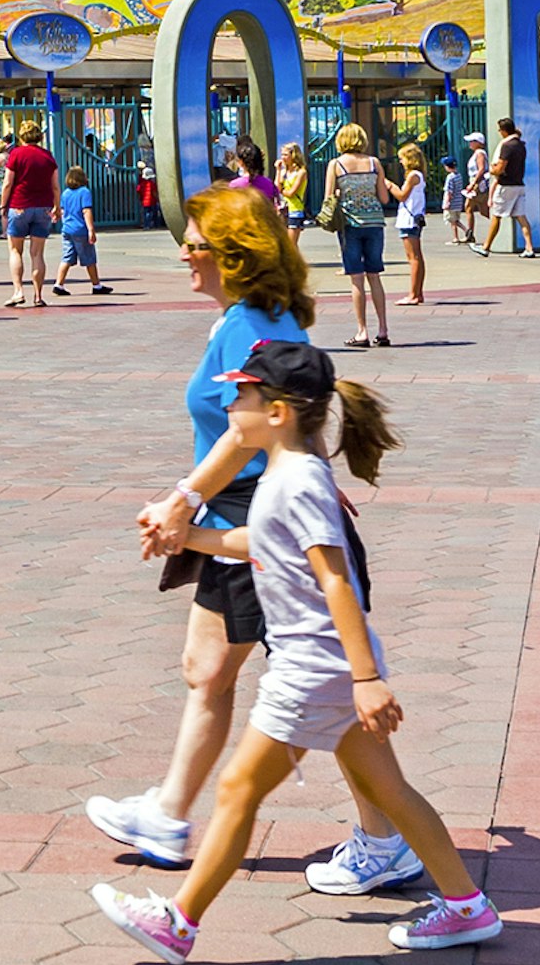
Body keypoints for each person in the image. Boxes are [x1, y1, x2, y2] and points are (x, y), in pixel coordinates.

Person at [93, 340, 503, 963]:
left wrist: (366, 679)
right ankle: (467, 908)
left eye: (244, 395)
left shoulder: (300, 482)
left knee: (236, 790)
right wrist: (190, 536)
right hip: (328, 666)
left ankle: (178, 923)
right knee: (390, 790)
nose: (230, 405)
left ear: (279, 411)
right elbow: (262, 542)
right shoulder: (286, 475)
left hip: (314, 667)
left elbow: (337, 579)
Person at [87, 187, 417, 894]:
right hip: (252, 505)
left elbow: (248, 431)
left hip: (257, 512)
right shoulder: (244, 320)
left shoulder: (253, 330)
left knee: (319, 690)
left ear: (234, 255)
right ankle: (170, 815)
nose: (184, 253)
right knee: (209, 668)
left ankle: (387, 839)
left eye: (196, 242)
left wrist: (185, 500)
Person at [323, 124, 393, 347]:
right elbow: (384, 197)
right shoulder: (374, 163)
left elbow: (328, 199)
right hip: (374, 224)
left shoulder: (336, 165)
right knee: (375, 275)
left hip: (350, 225)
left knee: (356, 278)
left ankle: (362, 331)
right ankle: (383, 330)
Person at [0, 119, 62, 308]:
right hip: (43, 207)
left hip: (19, 205)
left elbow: (8, 183)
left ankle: (18, 291)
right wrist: (57, 207)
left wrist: (3, 205)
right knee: (37, 253)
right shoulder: (47, 156)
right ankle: (38, 295)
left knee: (15, 250)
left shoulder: (16, 154)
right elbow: (55, 186)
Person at [61, 162, 112, 294]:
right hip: (81, 229)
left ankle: (58, 284)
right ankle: (96, 285)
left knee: (67, 258)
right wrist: (91, 230)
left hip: (67, 229)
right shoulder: (84, 192)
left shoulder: (65, 193)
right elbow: (86, 211)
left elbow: (62, 211)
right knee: (89, 258)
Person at [396, 140, 432, 306]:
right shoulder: (418, 175)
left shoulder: (413, 176)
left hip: (409, 219)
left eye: (402, 159)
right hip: (413, 218)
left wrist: (389, 186)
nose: (400, 162)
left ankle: (413, 294)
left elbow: (402, 195)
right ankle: (418, 293)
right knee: (416, 256)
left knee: (413, 257)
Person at [492, 120, 534, 257]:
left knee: (496, 216)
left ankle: (486, 247)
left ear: (503, 131)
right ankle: (529, 247)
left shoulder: (507, 146)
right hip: (519, 184)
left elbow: (500, 168)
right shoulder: (521, 145)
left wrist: (493, 170)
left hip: (506, 185)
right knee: (521, 217)